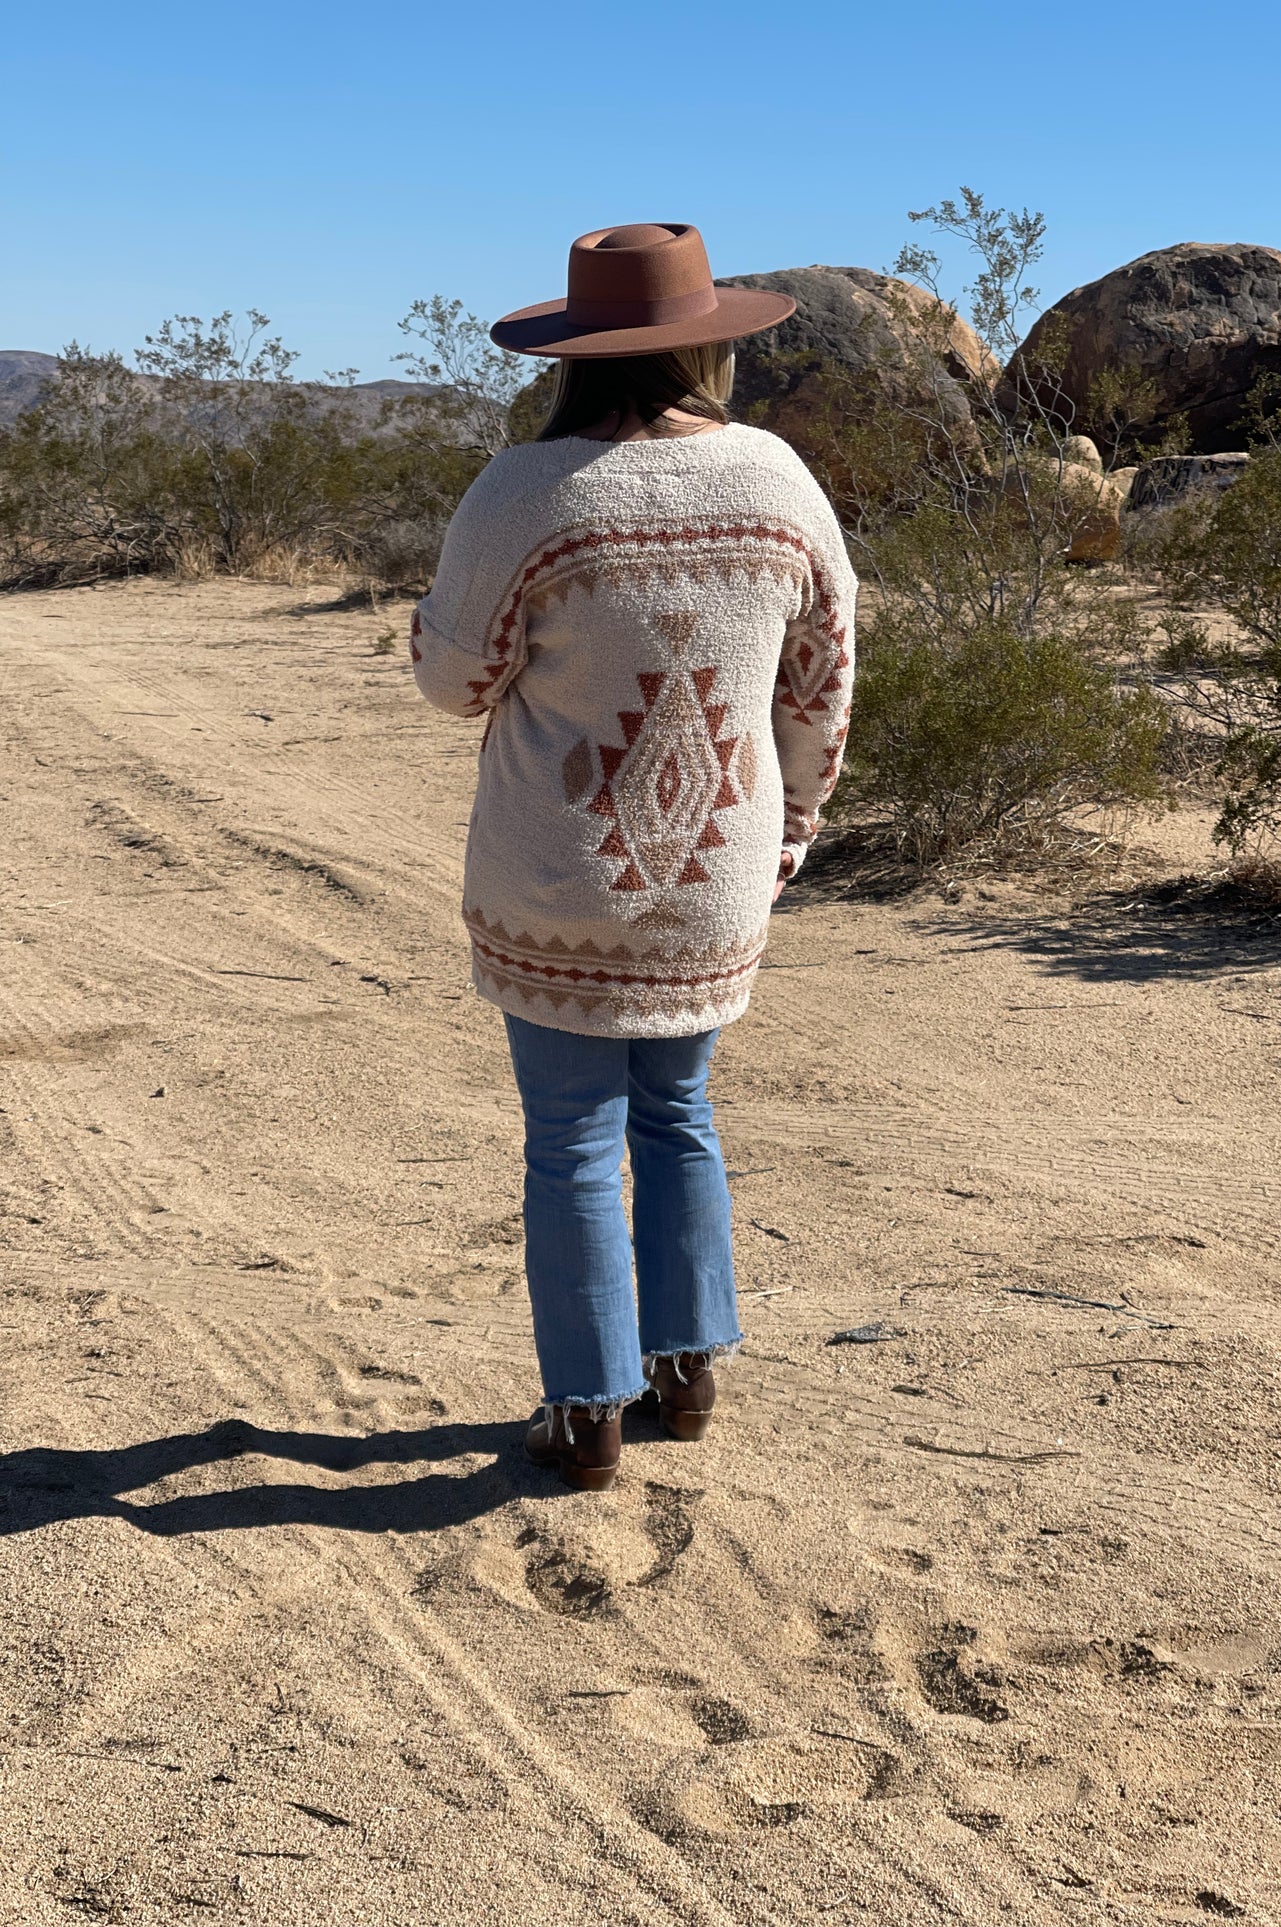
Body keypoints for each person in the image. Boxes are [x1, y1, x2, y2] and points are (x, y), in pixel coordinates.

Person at [409, 222, 856, 1490]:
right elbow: (820, 687)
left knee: (567, 1136)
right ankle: (687, 1369)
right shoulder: (779, 483)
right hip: (715, 869)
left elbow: (457, 682)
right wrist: (790, 833)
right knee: (680, 1112)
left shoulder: (521, 492)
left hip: (555, 874)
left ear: (571, 352)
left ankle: (585, 1409)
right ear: (707, 346)